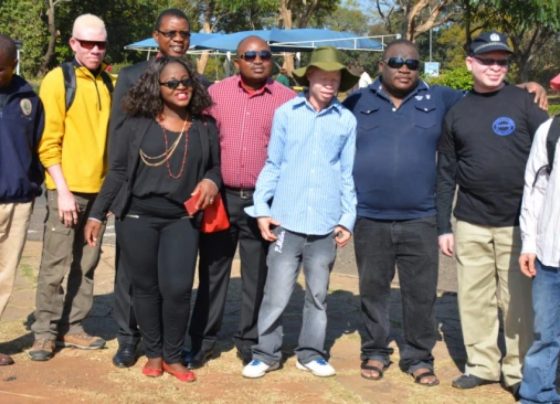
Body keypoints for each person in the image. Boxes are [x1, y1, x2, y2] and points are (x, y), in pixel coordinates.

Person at [343, 38, 547, 387]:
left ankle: (421, 358)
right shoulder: (357, 101)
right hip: (373, 215)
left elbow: (494, 99)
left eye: (412, 63)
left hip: (427, 217)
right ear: (381, 65)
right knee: (376, 290)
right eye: (396, 62)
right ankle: (378, 351)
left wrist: (530, 85)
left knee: (426, 294)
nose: (404, 68)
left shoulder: (441, 98)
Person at [84, 56, 220, 382]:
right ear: (156, 87)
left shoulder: (204, 126)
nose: (181, 87)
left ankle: (173, 356)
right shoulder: (136, 125)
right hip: (136, 216)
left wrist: (211, 181)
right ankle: (154, 354)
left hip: (181, 219)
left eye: (186, 81)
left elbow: (215, 167)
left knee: (177, 289)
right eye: (172, 83)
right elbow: (118, 172)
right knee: (145, 289)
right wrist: (97, 213)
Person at [436, 31, 549, 398]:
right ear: (470, 63)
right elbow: (446, 173)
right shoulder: (457, 111)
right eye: (487, 60)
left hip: (518, 224)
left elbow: (550, 153)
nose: (496, 67)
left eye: (502, 62)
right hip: (470, 221)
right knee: (474, 298)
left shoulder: (525, 102)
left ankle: (517, 370)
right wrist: (443, 226)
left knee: (516, 302)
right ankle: (482, 365)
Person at [241, 46, 358, 379]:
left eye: (334, 79)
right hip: (286, 221)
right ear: (310, 78)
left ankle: (311, 353)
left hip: (325, 223)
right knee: (276, 294)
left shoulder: (346, 120)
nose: (329, 84)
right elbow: (273, 164)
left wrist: (347, 219)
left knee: (318, 295)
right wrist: (261, 209)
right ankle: (266, 354)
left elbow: (347, 173)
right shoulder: (287, 114)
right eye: (323, 78)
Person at [187, 36, 296, 368]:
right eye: (250, 55)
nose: (258, 60)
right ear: (237, 61)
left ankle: (249, 341)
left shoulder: (288, 100)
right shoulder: (216, 94)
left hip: (264, 205)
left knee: (257, 276)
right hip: (221, 198)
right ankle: (202, 340)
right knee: (212, 271)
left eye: (264, 55)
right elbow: (201, 140)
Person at [109, 8, 192, 369]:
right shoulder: (131, 76)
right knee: (131, 271)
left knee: (173, 278)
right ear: (156, 36)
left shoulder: (195, 80)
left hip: (177, 194)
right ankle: (128, 338)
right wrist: (117, 190)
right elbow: (117, 134)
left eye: (184, 34)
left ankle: (169, 343)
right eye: (171, 33)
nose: (178, 39)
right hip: (136, 192)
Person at [29, 14, 112, 362]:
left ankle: (74, 326)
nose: (94, 50)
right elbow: (48, 141)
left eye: (100, 44)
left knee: (87, 263)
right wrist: (61, 191)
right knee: (55, 264)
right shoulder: (58, 80)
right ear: (73, 43)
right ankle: (44, 333)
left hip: (99, 192)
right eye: (87, 43)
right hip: (67, 190)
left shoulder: (107, 81)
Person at [0, 34, 44, 366]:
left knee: (5, 276)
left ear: (14, 64)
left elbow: (39, 146)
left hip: (18, 200)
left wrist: (32, 183)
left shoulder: (29, 99)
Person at [518, 117, 560, 403]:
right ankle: (537, 396)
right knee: (546, 333)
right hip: (550, 254)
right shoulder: (550, 131)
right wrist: (529, 243)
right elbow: (534, 190)